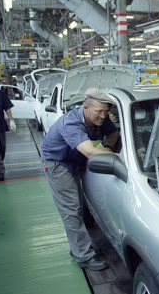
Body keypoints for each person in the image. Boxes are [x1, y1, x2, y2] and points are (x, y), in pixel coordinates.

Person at [41, 88, 119, 271]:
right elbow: (90, 151)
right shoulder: (72, 123)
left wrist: (108, 146)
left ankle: (77, 247)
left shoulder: (101, 118)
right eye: (99, 112)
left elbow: (113, 133)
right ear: (85, 108)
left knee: (78, 206)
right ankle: (83, 256)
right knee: (71, 209)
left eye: (106, 112)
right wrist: (121, 158)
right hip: (58, 163)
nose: (103, 116)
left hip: (76, 160)